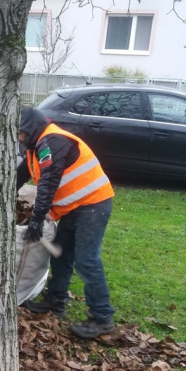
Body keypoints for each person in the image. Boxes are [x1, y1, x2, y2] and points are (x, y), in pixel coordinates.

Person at [17, 107, 116, 339]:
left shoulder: (52, 141)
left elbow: (48, 184)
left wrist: (37, 220)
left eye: (20, 132)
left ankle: (102, 318)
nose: (19, 138)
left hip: (93, 205)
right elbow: (22, 174)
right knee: (61, 256)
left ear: (30, 128)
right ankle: (55, 301)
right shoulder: (35, 147)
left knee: (86, 260)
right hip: (75, 208)